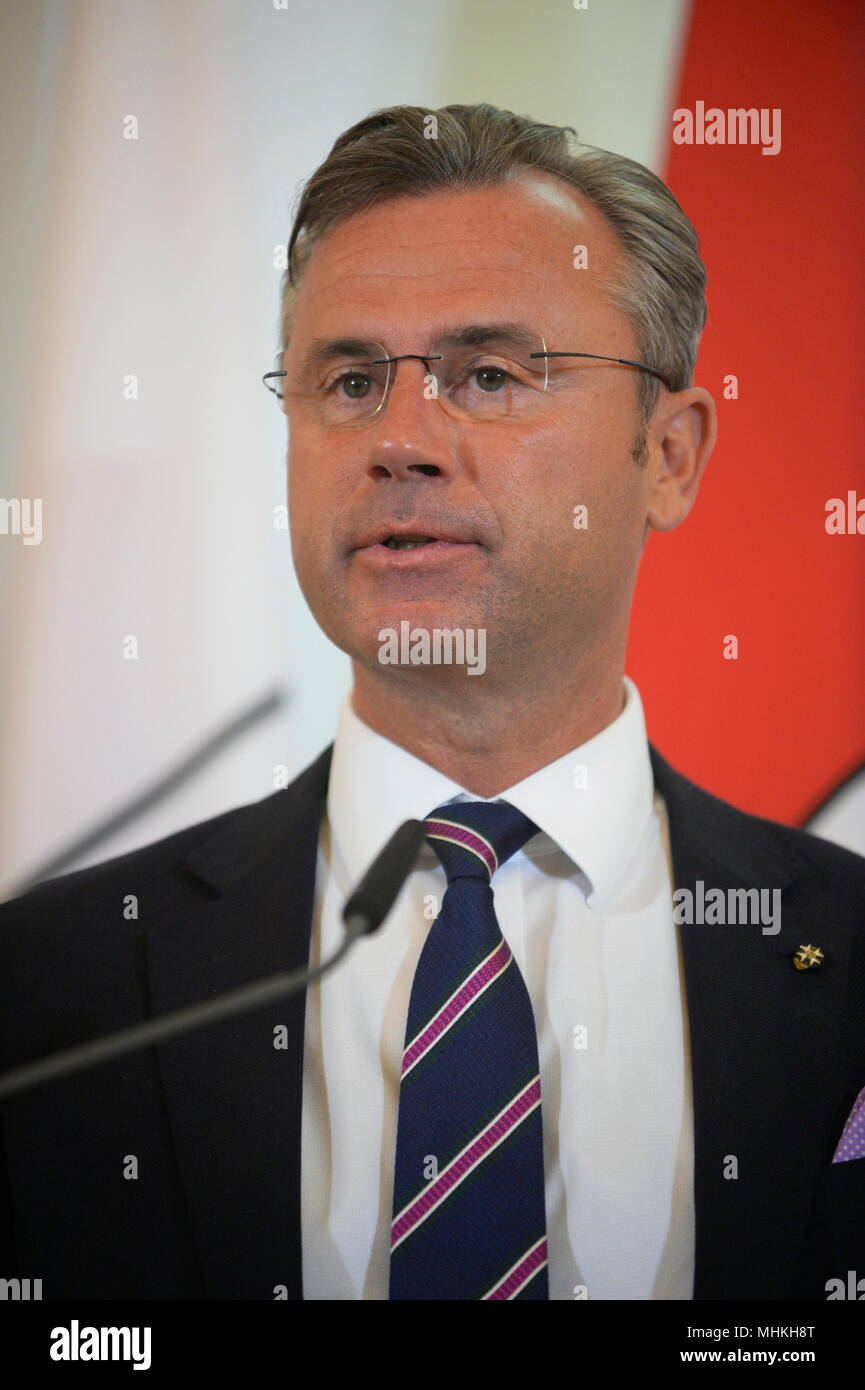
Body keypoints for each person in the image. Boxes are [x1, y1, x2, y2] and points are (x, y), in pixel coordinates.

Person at [1, 103, 863, 1302]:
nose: (400, 437)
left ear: (667, 456)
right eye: (349, 379)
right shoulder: (44, 982)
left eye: (492, 375)